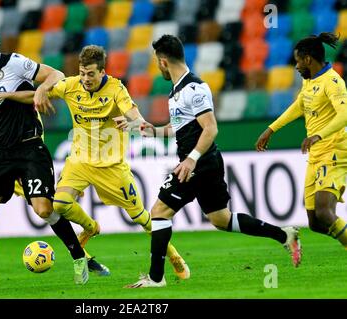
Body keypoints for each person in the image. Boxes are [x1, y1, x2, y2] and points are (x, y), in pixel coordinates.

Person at [0, 45, 190, 279]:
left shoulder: (116, 89)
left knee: (141, 216)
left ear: (102, 72)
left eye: (90, 74)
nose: (85, 79)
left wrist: (135, 124)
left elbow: (134, 115)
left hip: (111, 166)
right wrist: (12, 95)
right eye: (82, 73)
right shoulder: (71, 86)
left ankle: (173, 256)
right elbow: (35, 94)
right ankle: (91, 226)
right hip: (79, 162)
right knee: (59, 205)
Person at [126, 34, 301, 288]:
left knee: (159, 212)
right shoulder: (176, 92)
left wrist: (191, 160)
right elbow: (176, 129)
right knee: (221, 219)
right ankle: (284, 234)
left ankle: (156, 278)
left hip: (199, 163)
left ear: (163, 62)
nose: (157, 67)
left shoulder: (194, 88)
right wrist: (143, 128)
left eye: (157, 62)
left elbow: (210, 128)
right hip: (203, 163)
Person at [0, 73, 108, 288]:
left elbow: (47, 87)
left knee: (45, 208)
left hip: (26, 153)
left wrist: (35, 160)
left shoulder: (17, 77)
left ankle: (83, 254)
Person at [0, 27, 89, 291]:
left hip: (30, 147)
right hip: (0, 153)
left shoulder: (16, 63)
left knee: (44, 209)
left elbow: (57, 75)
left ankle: (79, 257)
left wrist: (42, 89)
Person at [256, 32, 347, 249]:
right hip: (316, 154)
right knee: (315, 222)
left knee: (325, 212)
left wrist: (318, 135)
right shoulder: (309, 81)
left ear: (308, 59)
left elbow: (344, 114)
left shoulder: (333, 82)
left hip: (334, 151)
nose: (296, 66)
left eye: (298, 61)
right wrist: (271, 129)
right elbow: (299, 106)